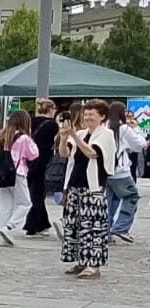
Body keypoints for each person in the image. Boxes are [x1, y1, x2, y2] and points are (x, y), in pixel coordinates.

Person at [59, 99, 116, 279]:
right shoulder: (81, 133)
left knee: (93, 227)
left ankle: (93, 265)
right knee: (76, 225)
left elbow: (92, 153)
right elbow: (64, 153)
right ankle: (81, 261)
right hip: (75, 185)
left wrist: (74, 136)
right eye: (86, 114)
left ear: (102, 116)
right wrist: (64, 136)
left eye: (92, 114)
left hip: (93, 187)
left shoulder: (106, 134)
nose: (88, 117)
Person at [0, 110, 38, 245]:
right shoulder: (23, 138)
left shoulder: (2, 135)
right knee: (25, 203)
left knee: (5, 206)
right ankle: (8, 227)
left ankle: (2, 237)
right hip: (17, 172)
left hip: (0, 173)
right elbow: (34, 154)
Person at [105, 101, 142, 244]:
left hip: (107, 170)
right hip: (121, 171)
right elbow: (139, 145)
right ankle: (121, 228)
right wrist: (136, 129)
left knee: (111, 201)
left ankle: (105, 233)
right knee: (132, 196)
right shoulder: (124, 129)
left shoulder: (105, 127)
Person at [23, 99, 59, 237]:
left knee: (34, 191)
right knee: (38, 193)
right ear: (50, 109)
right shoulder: (52, 125)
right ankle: (31, 224)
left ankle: (43, 223)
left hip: (30, 159)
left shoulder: (31, 122)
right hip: (44, 160)